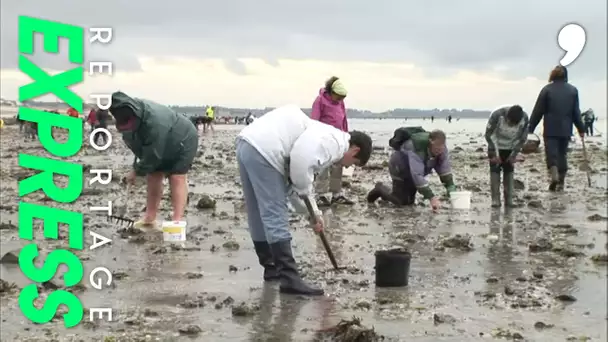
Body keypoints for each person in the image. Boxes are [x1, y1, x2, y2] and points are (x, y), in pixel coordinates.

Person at [236, 105, 372, 295]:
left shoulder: (322, 134)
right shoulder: (334, 142)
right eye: (354, 163)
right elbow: (300, 168)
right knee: (275, 213)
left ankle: (271, 268)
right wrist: (311, 207)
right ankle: (289, 279)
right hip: (266, 149)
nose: (348, 165)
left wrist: (313, 215)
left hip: (247, 143)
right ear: (355, 150)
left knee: (257, 211)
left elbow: (295, 186)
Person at [108, 91, 199, 228]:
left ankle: (177, 221)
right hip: (159, 141)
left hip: (183, 138)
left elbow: (153, 154)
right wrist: (137, 166)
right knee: (153, 175)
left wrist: (136, 171)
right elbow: (140, 148)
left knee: (177, 177)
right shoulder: (126, 122)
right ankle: (150, 218)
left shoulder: (155, 121)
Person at [366, 128, 455, 211]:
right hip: (399, 168)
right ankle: (380, 188)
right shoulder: (416, 148)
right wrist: (431, 197)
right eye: (436, 148)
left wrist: (450, 187)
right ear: (430, 142)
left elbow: (444, 168)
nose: (439, 151)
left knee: (410, 202)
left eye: (441, 148)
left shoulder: (442, 149)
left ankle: (387, 197)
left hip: (412, 172)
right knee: (401, 202)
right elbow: (417, 175)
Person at [529, 65, 585, 192]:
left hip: (550, 128)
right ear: (566, 76)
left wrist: (530, 128)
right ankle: (561, 182)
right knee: (562, 154)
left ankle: (554, 176)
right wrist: (581, 129)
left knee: (551, 154)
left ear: (553, 75)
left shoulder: (546, 90)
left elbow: (538, 111)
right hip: (565, 129)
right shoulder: (573, 91)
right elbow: (576, 113)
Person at [310, 76, 353, 206]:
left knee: (337, 167)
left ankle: (336, 194)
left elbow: (343, 119)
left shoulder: (340, 103)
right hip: (324, 140)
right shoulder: (320, 101)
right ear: (331, 92)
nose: (340, 99)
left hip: (338, 139)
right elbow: (314, 121)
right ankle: (320, 195)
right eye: (339, 96)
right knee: (323, 168)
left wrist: (346, 135)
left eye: (342, 97)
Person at [484, 105, 529, 208]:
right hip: (495, 144)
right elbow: (488, 134)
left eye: (514, 124)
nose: (511, 125)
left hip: (511, 146)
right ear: (507, 117)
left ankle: (509, 200)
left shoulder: (524, 118)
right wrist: (495, 154)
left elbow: (522, 139)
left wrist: (514, 155)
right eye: (510, 122)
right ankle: (495, 200)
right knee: (495, 169)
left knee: (509, 169)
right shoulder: (497, 115)